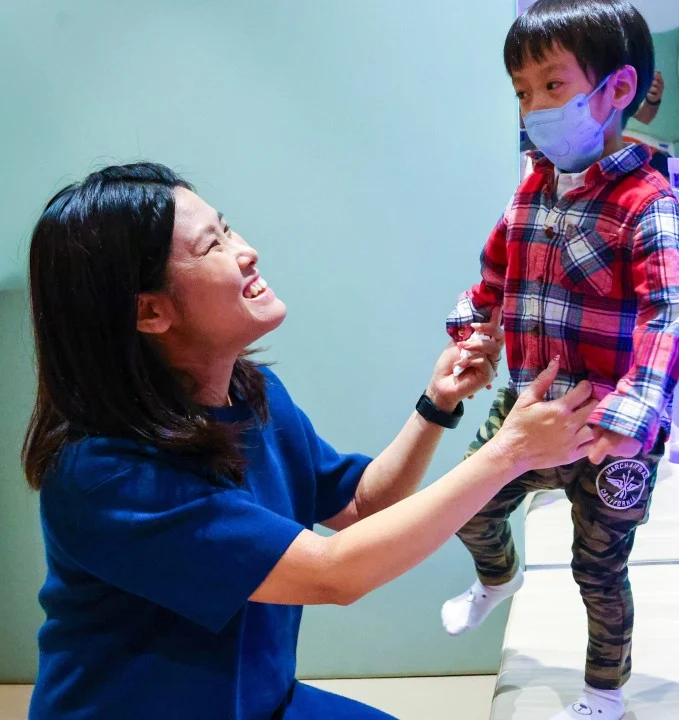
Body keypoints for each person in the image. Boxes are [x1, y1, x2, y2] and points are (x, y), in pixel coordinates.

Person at [22, 163, 597, 719]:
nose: (245, 250)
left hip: (267, 702)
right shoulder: (107, 476)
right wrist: (510, 452)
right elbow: (334, 574)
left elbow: (364, 506)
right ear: (150, 311)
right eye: (211, 247)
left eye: (226, 228)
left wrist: (436, 405)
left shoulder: (251, 395)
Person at [442, 2, 679, 719]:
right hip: (524, 406)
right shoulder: (532, 185)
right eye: (523, 91)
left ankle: (603, 689)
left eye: (553, 86)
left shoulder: (648, 202)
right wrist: (473, 326)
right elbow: (495, 272)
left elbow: (669, 311)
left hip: (604, 427)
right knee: (464, 509)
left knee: (599, 570)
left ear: (615, 89)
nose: (535, 106)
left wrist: (634, 412)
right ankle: (499, 578)